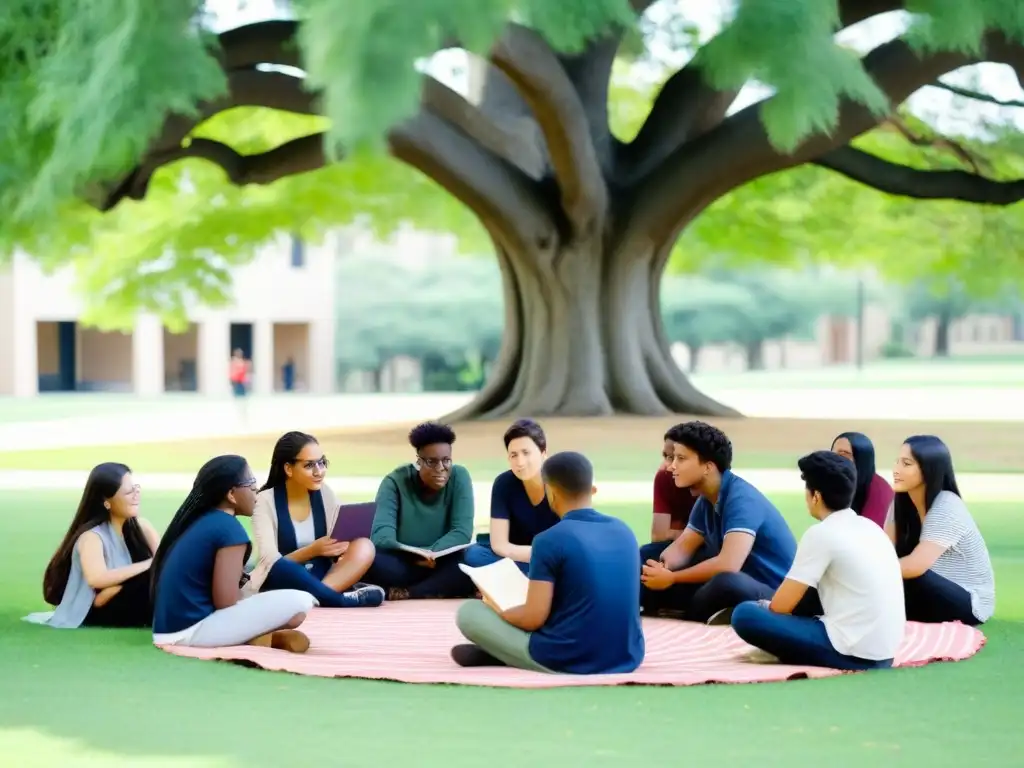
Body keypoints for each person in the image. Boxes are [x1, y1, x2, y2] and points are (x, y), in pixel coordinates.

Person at [452, 451, 645, 674]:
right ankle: (506, 653)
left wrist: (499, 611)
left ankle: (508, 654)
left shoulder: (549, 540)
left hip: (568, 658)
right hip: (627, 654)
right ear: (592, 490)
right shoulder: (625, 531)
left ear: (550, 491)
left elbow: (533, 619)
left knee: (469, 613)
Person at [731, 451, 905, 670]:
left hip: (854, 654)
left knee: (745, 614)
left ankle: (788, 648)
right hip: (885, 653)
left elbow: (780, 606)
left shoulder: (821, 533)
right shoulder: (871, 528)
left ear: (816, 497)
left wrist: (766, 606)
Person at [151, 455, 317, 651]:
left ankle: (263, 638)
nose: (257, 494)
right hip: (191, 632)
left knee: (289, 609)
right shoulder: (229, 529)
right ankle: (256, 637)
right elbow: (226, 601)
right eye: (253, 487)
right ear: (231, 494)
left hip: (170, 630)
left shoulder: (201, 521)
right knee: (300, 602)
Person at [639, 421, 797, 623]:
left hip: (772, 590)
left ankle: (687, 616)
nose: (672, 466)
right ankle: (645, 608)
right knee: (648, 554)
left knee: (726, 582)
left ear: (708, 467)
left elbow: (728, 564)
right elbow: (683, 547)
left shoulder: (742, 499)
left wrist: (672, 578)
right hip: (736, 578)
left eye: (681, 458)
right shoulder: (706, 498)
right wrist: (661, 568)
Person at [249, 431, 384, 608]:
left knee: (365, 546)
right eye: (309, 465)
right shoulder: (265, 501)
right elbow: (269, 561)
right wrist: (312, 550)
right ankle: (339, 599)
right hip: (283, 577)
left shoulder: (325, 493)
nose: (319, 472)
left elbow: (338, 533)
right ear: (288, 468)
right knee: (280, 566)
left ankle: (318, 595)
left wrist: (341, 547)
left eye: (322, 463)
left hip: (321, 573)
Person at [26, 463, 160, 629]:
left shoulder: (143, 527)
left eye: (136, 488)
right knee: (149, 578)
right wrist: (148, 565)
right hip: (99, 610)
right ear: (106, 502)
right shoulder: (92, 537)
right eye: (128, 492)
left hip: (129, 599)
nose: (136, 495)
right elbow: (97, 579)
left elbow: (165, 565)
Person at [885, 435, 995, 626]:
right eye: (897, 462)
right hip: (927, 593)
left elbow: (914, 567)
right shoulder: (900, 503)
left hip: (970, 603)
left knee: (901, 576)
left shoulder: (947, 505)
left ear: (929, 469)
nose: (896, 469)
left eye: (906, 463)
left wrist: (859, 572)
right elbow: (884, 550)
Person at [366, 422, 476, 600]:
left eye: (446, 460)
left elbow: (462, 531)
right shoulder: (395, 481)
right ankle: (433, 588)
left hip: (442, 561)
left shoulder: (460, 476)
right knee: (368, 558)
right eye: (431, 462)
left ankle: (408, 592)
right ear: (418, 462)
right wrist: (415, 555)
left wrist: (431, 554)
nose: (440, 468)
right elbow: (381, 535)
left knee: (473, 560)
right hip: (403, 562)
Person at [462, 419, 559, 575]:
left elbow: (568, 546)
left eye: (526, 453)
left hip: (552, 557)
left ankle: (514, 579)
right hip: (516, 554)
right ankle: (539, 578)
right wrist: (541, 556)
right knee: (473, 555)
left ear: (543, 453)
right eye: (513, 455)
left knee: (567, 564)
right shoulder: (504, 483)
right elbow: (499, 545)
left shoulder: (560, 483)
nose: (520, 462)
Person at [639, 429, 699, 564]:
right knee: (646, 555)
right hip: (678, 549)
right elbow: (659, 536)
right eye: (667, 456)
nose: (667, 466)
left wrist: (675, 531)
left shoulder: (721, 489)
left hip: (713, 554)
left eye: (679, 458)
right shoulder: (665, 477)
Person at [831, 431, 893, 528]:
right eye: (832, 454)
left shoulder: (880, 491)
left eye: (843, 455)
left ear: (861, 458)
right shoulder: (843, 483)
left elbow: (869, 535)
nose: (834, 460)